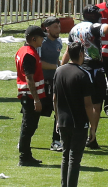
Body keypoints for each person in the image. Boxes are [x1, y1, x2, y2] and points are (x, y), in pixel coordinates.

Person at [68, 2, 108, 149]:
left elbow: (69, 50)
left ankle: (80, 135)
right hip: (94, 70)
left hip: (77, 69)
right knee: (96, 104)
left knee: (80, 104)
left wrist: (63, 67)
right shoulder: (93, 27)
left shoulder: (74, 29)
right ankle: (92, 135)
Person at [54, 40, 97, 187]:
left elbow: (55, 99)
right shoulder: (83, 74)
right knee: (74, 158)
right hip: (79, 123)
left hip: (63, 121)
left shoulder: (59, 71)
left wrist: (58, 119)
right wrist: (92, 126)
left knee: (65, 156)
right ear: (80, 54)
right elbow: (88, 104)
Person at [15, 25, 50, 166]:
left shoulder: (23, 50)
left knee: (28, 125)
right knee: (28, 126)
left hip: (27, 96)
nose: (43, 40)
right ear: (34, 39)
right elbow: (29, 78)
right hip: (30, 97)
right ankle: (24, 157)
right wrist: (36, 100)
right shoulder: (29, 54)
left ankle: (26, 155)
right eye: (41, 37)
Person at [40, 17, 65, 152]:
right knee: (34, 113)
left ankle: (56, 141)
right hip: (42, 83)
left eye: (59, 27)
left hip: (54, 82)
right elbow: (38, 62)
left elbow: (56, 61)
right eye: (55, 27)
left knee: (58, 112)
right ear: (47, 28)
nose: (58, 30)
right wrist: (56, 67)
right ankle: (24, 141)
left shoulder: (59, 42)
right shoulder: (41, 42)